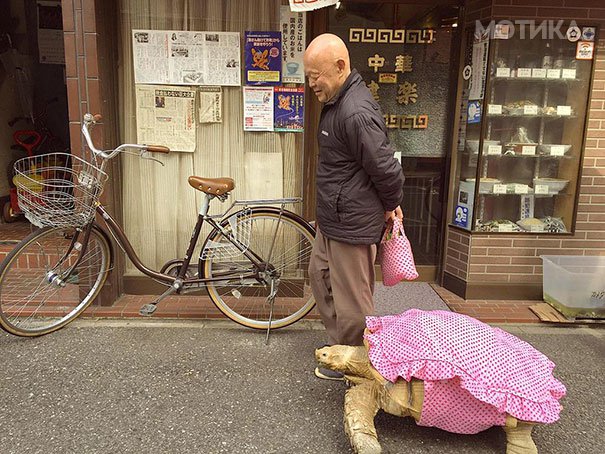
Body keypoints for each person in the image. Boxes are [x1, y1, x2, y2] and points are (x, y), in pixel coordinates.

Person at [304, 33, 405, 380]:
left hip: (353, 222)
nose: (311, 83)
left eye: (316, 75)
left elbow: (386, 167)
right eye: (308, 75)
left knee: (353, 303)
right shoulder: (337, 103)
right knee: (320, 279)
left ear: (340, 66)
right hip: (334, 218)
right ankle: (342, 350)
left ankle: (360, 367)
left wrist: (391, 204)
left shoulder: (356, 111)